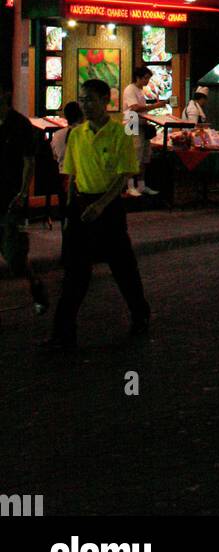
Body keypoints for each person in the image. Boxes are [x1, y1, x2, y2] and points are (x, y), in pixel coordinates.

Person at [47, 77, 151, 352]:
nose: (86, 105)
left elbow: (124, 174)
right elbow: (71, 175)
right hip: (83, 206)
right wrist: (70, 212)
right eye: (83, 100)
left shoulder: (119, 134)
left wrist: (101, 205)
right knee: (75, 274)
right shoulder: (77, 135)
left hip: (109, 208)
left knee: (123, 267)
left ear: (106, 102)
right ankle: (63, 332)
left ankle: (140, 314)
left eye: (91, 100)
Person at [0, 84, 50, 325]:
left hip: (11, 199)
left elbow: (29, 161)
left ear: (5, 95)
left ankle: (35, 285)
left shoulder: (19, 125)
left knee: (15, 257)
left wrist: (22, 193)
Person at [122, 65, 159, 198]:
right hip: (131, 123)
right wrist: (155, 106)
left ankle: (141, 185)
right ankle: (130, 186)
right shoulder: (130, 89)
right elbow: (135, 107)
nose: (147, 81)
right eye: (146, 78)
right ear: (138, 77)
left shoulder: (140, 90)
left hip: (141, 124)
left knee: (144, 157)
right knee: (134, 156)